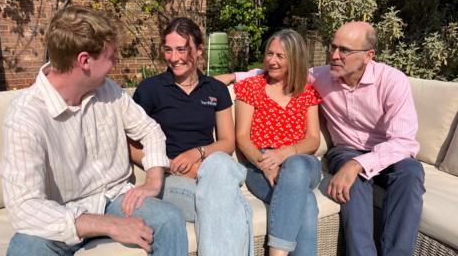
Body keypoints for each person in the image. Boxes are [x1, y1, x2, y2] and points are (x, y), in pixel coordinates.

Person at [221, 21, 426, 256]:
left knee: (410, 172)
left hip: (386, 150)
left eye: (344, 50)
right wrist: (232, 75)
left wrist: (358, 163)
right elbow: (275, 71)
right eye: (333, 47)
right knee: (344, 187)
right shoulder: (321, 76)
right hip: (346, 149)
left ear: (369, 56)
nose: (334, 56)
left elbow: (404, 141)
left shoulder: (392, 81)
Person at [0, 6, 187, 256]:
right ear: (84, 60)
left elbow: (150, 131)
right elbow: (25, 207)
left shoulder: (108, 90)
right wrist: (109, 225)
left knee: (168, 218)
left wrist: (152, 182)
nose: (116, 62)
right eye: (110, 56)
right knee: (26, 249)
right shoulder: (25, 117)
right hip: (63, 210)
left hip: (117, 198)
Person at [129, 17, 253, 256]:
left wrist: (198, 154)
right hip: (170, 176)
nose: (174, 58)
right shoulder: (151, 89)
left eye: (182, 49)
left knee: (219, 165)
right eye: (168, 50)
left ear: (198, 50)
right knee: (231, 207)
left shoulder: (216, 90)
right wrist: (169, 166)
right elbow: (131, 146)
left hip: (209, 171)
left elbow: (227, 142)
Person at [234, 29, 322, 256]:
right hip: (259, 164)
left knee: (296, 166)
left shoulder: (306, 92)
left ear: (294, 59)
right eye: (269, 54)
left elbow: (313, 140)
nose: (271, 61)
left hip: (301, 161)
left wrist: (285, 154)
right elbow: (242, 137)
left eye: (280, 56)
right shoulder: (251, 87)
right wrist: (267, 164)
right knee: (307, 202)